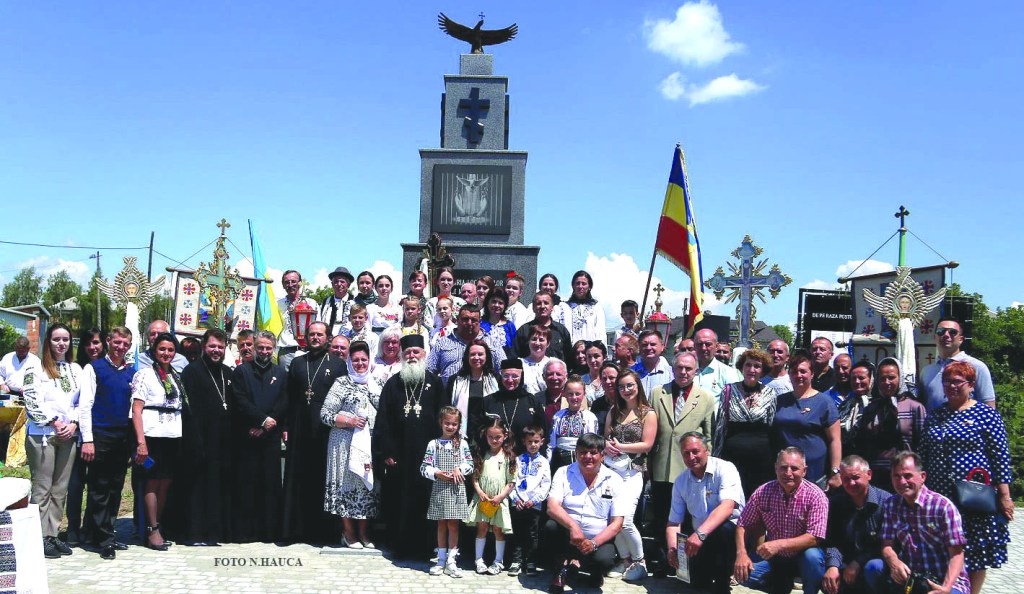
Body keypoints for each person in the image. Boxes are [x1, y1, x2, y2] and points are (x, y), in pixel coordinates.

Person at [921, 361, 1012, 594]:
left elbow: (1000, 456)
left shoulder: (986, 414)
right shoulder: (936, 415)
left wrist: (1004, 495)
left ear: (971, 385)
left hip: (973, 496)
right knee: (945, 546)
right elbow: (923, 452)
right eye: (947, 382)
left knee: (975, 549)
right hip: (940, 495)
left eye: (957, 382)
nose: (951, 386)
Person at [373, 334, 449, 559]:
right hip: (400, 456)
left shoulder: (434, 383)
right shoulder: (393, 383)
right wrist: (386, 452)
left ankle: (427, 547)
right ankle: (401, 546)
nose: (412, 356)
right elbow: (383, 421)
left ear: (424, 355)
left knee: (426, 501)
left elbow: (444, 418)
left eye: (416, 352)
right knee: (400, 501)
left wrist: (442, 450)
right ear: (401, 356)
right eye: (408, 353)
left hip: (428, 455)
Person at [649, 352, 715, 574]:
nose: (684, 372)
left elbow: (709, 436)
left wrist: (705, 468)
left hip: (690, 468)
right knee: (661, 517)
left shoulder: (705, 397)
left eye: (688, 368)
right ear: (673, 369)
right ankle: (663, 561)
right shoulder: (658, 393)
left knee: (686, 520)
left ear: (696, 371)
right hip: (661, 466)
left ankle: (685, 565)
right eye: (679, 368)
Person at [282, 321, 346, 544]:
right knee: (298, 478)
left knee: (323, 479)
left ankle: (324, 532)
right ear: (306, 337)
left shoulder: (338, 364)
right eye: (311, 334)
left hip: (325, 431)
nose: (315, 338)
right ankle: (295, 530)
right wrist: (286, 427)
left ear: (327, 337)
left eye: (320, 334)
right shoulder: (298, 363)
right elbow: (289, 397)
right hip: (299, 428)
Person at [734, 447, 829, 594]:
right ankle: (780, 582)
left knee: (813, 558)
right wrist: (741, 554)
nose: (788, 473)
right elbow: (743, 524)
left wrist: (778, 545)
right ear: (775, 468)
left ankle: (810, 589)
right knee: (743, 575)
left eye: (794, 468)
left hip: (802, 557)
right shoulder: (763, 491)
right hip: (776, 559)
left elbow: (815, 538)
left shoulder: (816, 496)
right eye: (783, 467)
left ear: (804, 471)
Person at [22, 323, 81, 559]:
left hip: (68, 435)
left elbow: (81, 402)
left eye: (65, 339)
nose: (61, 344)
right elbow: (32, 400)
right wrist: (55, 421)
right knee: (43, 488)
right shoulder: (35, 368)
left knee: (60, 489)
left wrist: (74, 422)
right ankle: (38, 536)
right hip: (43, 434)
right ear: (48, 342)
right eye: (57, 339)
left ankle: (52, 535)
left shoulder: (75, 369)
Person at [172, 328, 233, 546]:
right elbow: (189, 410)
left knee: (217, 488)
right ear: (204, 347)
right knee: (196, 488)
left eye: (220, 347)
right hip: (198, 439)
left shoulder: (227, 372)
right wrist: (194, 441)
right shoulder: (192, 372)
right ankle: (194, 533)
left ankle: (214, 533)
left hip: (222, 441)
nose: (216, 350)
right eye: (212, 346)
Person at [77, 326, 135, 560]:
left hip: (122, 437)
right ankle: (104, 539)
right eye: (117, 342)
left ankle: (104, 532)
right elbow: (85, 405)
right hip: (100, 435)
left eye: (125, 344)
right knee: (99, 488)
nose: (121, 347)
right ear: (108, 342)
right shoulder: (94, 368)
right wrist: (88, 440)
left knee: (115, 487)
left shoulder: (131, 373)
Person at [666, 432, 745, 594]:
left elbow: (728, 506)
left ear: (707, 450)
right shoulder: (681, 481)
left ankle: (724, 580)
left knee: (724, 530)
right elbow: (674, 522)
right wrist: (673, 549)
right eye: (686, 453)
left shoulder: (726, 468)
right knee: (697, 582)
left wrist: (700, 534)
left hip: (730, 535)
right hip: (700, 538)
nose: (691, 457)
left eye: (695, 451)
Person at [881, 452, 971, 594]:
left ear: (922, 477)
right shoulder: (890, 504)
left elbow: (957, 554)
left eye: (907, 476)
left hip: (944, 579)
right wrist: (894, 562)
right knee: (874, 567)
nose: (902, 481)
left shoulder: (943, 507)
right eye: (896, 476)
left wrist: (945, 588)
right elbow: (887, 545)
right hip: (911, 576)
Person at [544, 433, 625, 592]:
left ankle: (594, 571)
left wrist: (594, 543)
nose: (588, 456)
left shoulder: (615, 479)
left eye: (593, 452)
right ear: (576, 454)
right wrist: (574, 527)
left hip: (597, 538)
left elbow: (617, 523)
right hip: (568, 534)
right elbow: (552, 507)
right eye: (583, 452)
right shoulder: (563, 472)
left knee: (605, 559)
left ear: (602, 455)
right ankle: (560, 568)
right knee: (550, 527)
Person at [231, 330, 288, 543]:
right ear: (253, 347)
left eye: (268, 348)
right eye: (261, 347)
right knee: (247, 485)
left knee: (270, 485)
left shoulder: (281, 373)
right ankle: (246, 532)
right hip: (248, 436)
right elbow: (240, 400)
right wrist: (259, 421)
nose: (264, 351)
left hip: (270, 437)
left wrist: (268, 424)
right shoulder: (242, 371)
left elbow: (283, 401)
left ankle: (269, 532)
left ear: (273, 349)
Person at [322, 340, 381, 548]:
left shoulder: (377, 383)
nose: (360, 364)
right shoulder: (341, 383)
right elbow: (326, 414)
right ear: (349, 361)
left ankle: (364, 534)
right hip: (344, 445)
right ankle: (348, 533)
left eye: (364, 359)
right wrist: (350, 421)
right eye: (355, 360)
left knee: (366, 486)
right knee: (346, 487)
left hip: (369, 446)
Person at [130, 331, 185, 551]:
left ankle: (159, 525)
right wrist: (141, 442)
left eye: (170, 350)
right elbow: (136, 410)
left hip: (172, 435)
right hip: (152, 435)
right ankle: (151, 528)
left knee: (166, 482)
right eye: (162, 349)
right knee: (152, 482)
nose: (166, 353)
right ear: (154, 350)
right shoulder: (144, 374)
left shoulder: (175, 375)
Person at [603, 368, 657, 581]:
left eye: (630, 385)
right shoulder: (614, 410)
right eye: (622, 386)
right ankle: (625, 560)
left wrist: (622, 447)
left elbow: (647, 445)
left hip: (634, 472)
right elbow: (605, 437)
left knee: (624, 520)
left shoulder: (648, 413)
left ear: (638, 386)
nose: (626, 390)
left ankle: (639, 561)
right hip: (612, 471)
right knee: (611, 519)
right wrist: (607, 445)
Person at [713, 348, 781, 497]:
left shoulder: (770, 393)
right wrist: (715, 458)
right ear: (742, 368)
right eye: (748, 365)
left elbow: (771, 428)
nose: (752, 370)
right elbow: (720, 426)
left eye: (757, 366)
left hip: (761, 460)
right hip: (732, 458)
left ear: (763, 371)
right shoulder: (728, 390)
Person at [772, 350, 842, 488]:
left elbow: (835, 440)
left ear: (812, 373)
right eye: (794, 371)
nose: (799, 375)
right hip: (786, 474)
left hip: (815, 473)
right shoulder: (779, 401)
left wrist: (835, 472)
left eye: (803, 371)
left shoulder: (824, 402)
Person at [853, 359, 924, 487]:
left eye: (891, 378)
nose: (887, 382)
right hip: (876, 477)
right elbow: (864, 443)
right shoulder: (872, 408)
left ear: (900, 378)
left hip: (905, 477)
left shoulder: (914, 407)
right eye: (882, 378)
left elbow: (922, 445)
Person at [823, 455, 889, 594]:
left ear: (869, 474)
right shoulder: (836, 503)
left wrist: (858, 562)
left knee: (873, 567)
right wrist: (833, 566)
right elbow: (834, 540)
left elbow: (885, 544)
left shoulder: (886, 502)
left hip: (873, 565)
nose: (851, 483)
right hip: (846, 566)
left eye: (856, 477)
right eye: (846, 479)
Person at [422, 406, 474, 578]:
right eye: (447, 423)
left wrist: (460, 468)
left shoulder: (462, 444)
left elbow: (470, 464)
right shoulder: (433, 444)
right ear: (441, 423)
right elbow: (424, 467)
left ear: (459, 425)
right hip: (439, 489)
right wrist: (436, 472)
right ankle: (441, 559)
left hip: (456, 489)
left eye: (454, 424)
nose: (450, 427)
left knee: (453, 524)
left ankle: (452, 560)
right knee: (441, 524)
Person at [64, 328, 104, 546]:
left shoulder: (106, 368)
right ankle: (72, 528)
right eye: (88, 343)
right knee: (75, 484)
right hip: (77, 435)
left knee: (97, 485)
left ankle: (90, 527)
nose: (93, 347)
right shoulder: (76, 369)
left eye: (96, 342)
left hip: (100, 434)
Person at [466, 417, 517, 575]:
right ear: (485, 436)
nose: (494, 440)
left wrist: (500, 497)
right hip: (482, 499)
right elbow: (474, 478)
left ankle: (498, 561)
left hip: (498, 500)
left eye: (498, 437)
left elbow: (511, 482)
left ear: (505, 436)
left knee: (498, 530)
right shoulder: (481, 454)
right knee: (481, 527)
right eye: (490, 437)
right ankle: (479, 559)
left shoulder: (509, 457)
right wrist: (480, 492)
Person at [920, 318, 995, 411]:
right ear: (935, 337)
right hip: (934, 424)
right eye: (941, 331)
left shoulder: (977, 367)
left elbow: (989, 407)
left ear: (961, 339)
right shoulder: (926, 371)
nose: (946, 335)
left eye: (952, 332)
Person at [508, 425, 551, 576]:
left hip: (534, 504)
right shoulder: (518, 460)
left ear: (542, 442)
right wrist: (515, 498)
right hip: (518, 503)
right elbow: (512, 481)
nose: (533, 445)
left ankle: (531, 561)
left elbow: (546, 485)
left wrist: (535, 500)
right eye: (529, 442)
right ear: (524, 442)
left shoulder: (544, 462)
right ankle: (516, 560)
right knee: (517, 532)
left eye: (536, 441)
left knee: (532, 534)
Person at [428, 304, 506, 384]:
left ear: (480, 321)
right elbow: (429, 371)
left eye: (474, 320)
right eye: (465, 319)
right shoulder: (443, 343)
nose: (469, 323)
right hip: (449, 394)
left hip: (485, 394)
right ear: (457, 320)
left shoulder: (492, 343)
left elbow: (504, 371)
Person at [482, 359, 546, 448]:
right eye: (506, 376)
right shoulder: (488, 401)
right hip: (495, 456)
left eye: (515, 376)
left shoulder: (532, 402)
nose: (510, 380)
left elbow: (542, 432)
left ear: (522, 377)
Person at [446, 340, 499, 441]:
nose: (476, 357)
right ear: (467, 357)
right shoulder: (455, 381)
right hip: (462, 435)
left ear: (486, 356)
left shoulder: (496, 380)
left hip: (489, 437)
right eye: (472, 354)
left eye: (480, 354)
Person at [548, 375, 599, 474]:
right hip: (559, 462)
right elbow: (551, 444)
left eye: (578, 394)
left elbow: (592, 444)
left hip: (581, 461)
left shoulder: (590, 417)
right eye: (570, 394)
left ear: (584, 394)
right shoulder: (558, 416)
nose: (574, 397)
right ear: (565, 394)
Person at [275, 270, 319, 371]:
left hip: (307, 351)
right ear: (283, 285)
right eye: (287, 282)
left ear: (300, 283)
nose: (290, 285)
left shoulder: (312, 303)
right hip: (286, 351)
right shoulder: (278, 304)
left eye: (293, 281)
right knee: (285, 384)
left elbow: (318, 326)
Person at [514, 290, 572, 362]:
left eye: (546, 303)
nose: (542, 306)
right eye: (538, 303)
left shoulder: (561, 330)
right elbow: (514, 356)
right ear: (533, 308)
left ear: (552, 307)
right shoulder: (524, 330)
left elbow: (569, 359)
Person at [693, 329, 742, 406]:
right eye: (699, 344)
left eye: (708, 344)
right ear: (694, 346)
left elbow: (735, 403)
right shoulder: (685, 370)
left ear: (716, 346)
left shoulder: (729, 373)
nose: (703, 348)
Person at [562, 270, 606, 343]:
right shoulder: (565, 307)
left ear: (589, 286)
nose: (580, 286)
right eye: (577, 283)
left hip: (590, 351)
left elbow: (601, 333)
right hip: (570, 351)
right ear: (573, 286)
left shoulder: (596, 307)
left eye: (584, 284)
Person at [423, 267, 466, 331]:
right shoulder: (431, 303)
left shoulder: (461, 303)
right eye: (442, 279)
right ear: (437, 281)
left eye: (449, 280)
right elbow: (427, 325)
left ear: (454, 282)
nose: (446, 283)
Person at [632, 330, 672, 397]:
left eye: (653, 344)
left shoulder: (671, 374)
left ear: (662, 347)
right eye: (644, 345)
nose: (648, 348)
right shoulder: (630, 373)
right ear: (639, 347)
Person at [319, 266, 355, 337]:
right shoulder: (325, 303)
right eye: (336, 281)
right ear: (332, 284)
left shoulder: (354, 302)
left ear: (348, 285)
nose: (339, 284)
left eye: (342, 282)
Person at [480, 287, 516, 352]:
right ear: (487, 303)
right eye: (494, 301)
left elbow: (515, 349)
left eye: (500, 303)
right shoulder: (480, 324)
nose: (497, 305)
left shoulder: (510, 326)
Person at [520, 325, 551, 395]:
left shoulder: (553, 363)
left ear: (548, 343)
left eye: (541, 340)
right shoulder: (519, 364)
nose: (537, 343)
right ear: (528, 341)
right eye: (534, 339)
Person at [538, 358, 570, 425]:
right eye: (550, 374)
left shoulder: (573, 398)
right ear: (544, 377)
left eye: (558, 374)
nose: (554, 378)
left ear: (566, 376)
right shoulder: (536, 399)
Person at [590, 361, 619, 431]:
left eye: (612, 378)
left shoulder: (627, 402)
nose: (607, 382)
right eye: (604, 378)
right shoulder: (597, 405)